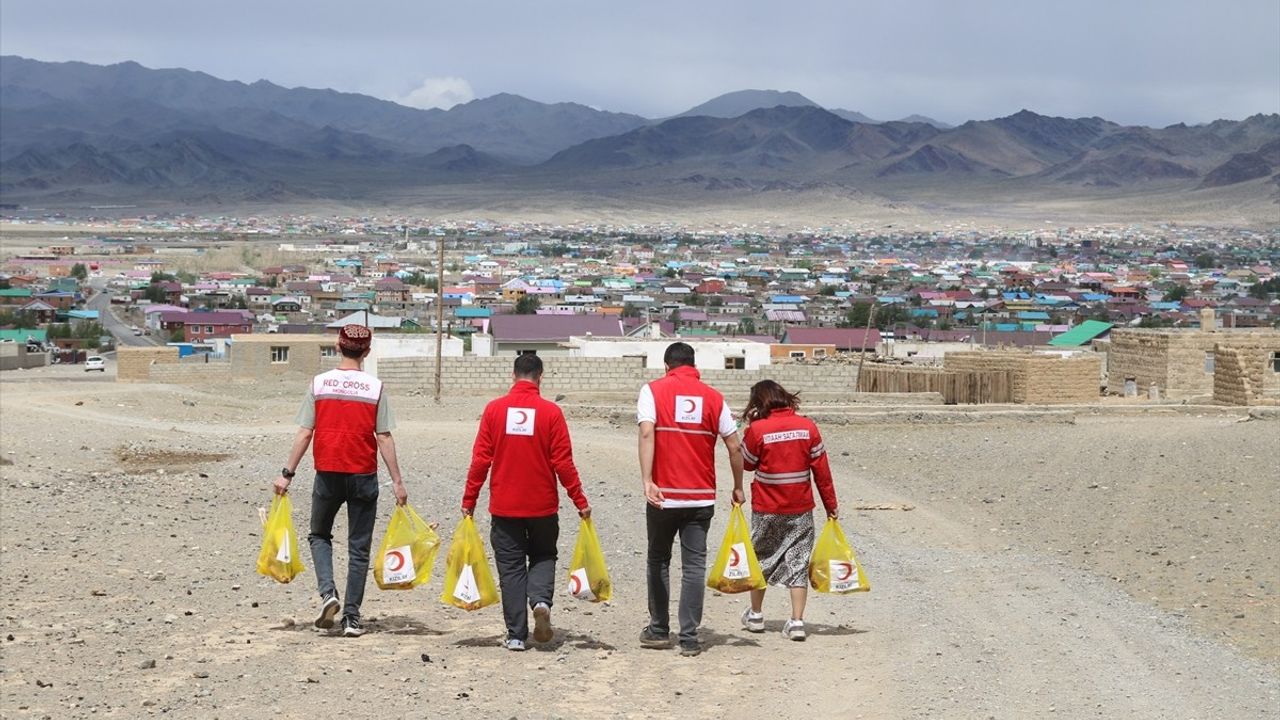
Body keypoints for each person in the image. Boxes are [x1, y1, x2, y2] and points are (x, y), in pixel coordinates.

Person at [274, 324, 408, 638]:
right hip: (363, 475)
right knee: (358, 549)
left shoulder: (319, 384)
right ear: (367, 351)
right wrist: (398, 482)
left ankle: (328, 594)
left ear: (338, 346)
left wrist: (286, 475)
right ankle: (352, 619)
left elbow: (305, 433)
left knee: (319, 535)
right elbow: (384, 437)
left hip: (328, 474)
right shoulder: (375, 389)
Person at [463, 353, 591, 652]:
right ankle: (541, 601)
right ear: (540, 377)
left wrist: (469, 499)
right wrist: (580, 500)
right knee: (544, 555)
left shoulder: (494, 411)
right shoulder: (551, 413)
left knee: (510, 567)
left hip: (505, 506)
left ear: (513, 375)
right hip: (543, 506)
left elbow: (481, 460)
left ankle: (516, 635)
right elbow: (563, 462)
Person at [638, 341, 744, 657]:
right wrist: (738, 486)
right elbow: (735, 447)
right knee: (694, 565)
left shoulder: (652, 391)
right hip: (700, 498)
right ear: (694, 366)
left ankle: (658, 630)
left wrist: (647, 480)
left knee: (658, 558)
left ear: (667, 366)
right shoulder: (714, 398)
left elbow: (646, 433)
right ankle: (689, 637)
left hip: (663, 496)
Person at [738, 380, 837, 641]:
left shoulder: (758, 430)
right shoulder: (807, 427)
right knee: (798, 561)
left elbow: (747, 464)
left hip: (767, 508)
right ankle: (796, 622)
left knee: (761, 557)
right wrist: (831, 506)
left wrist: (750, 427)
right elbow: (822, 472)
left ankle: (756, 616)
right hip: (800, 507)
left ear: (759, 403)